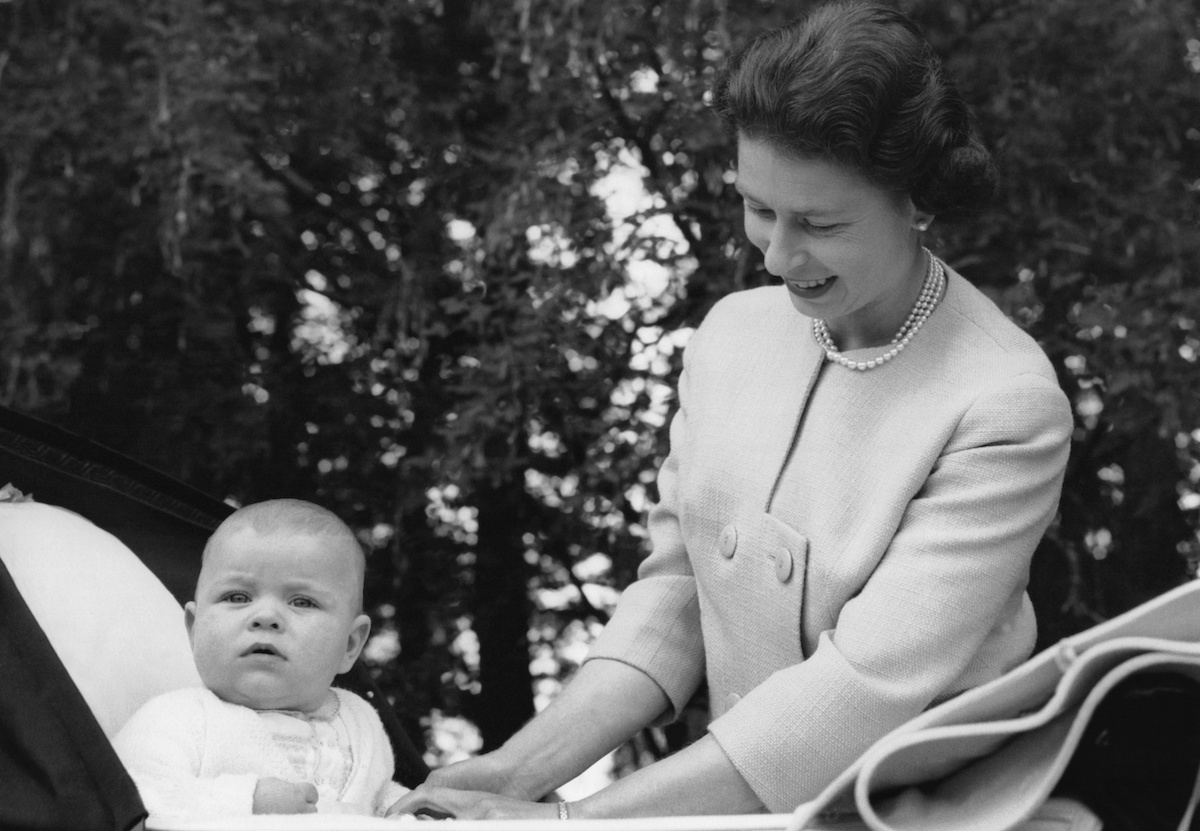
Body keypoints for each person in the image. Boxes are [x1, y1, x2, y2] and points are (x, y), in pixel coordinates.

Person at [390, 0, 1073, 819]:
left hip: (922, 810)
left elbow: (862, 690)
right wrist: (517, 770)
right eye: (759, 208)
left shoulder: (1005, 404)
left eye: (819, 222)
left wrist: (571, 820)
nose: (778, 257)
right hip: (722, 804)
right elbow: (679, 591)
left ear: (918, 202)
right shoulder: (730, 336)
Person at [113, 498, 412, 820]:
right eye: (237, 597)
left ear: (350, 645)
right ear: (193, 628)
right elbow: (130, 800)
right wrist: (245, 800)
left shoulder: (362, 720)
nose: (266, 616)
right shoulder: (176, 720)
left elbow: (380, 796)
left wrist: (410, 811)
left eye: (302, 601)